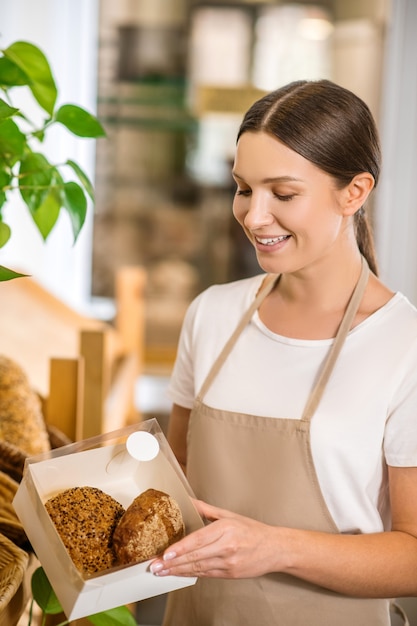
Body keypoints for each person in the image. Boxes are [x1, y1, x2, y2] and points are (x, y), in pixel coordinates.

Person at [150, 79, 417, 626]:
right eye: (244, 188)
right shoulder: (212, 315)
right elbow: (176, 476)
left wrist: (275, 548)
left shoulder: (403, 345)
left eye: (284, 194)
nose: (253, 216)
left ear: (355, 192)